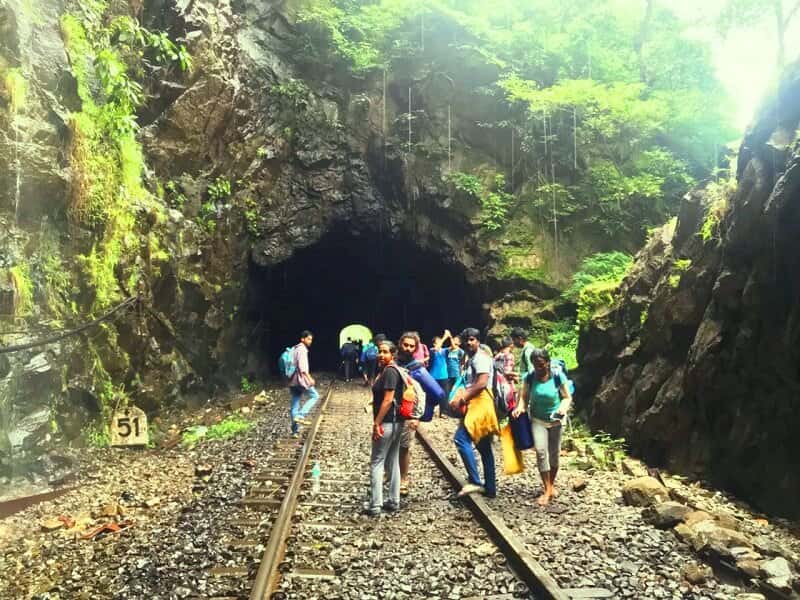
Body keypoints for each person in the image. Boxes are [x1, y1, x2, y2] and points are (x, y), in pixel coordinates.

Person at [513, 348, 573, 506]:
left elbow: (567, 397)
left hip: (556, 421)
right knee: (540, 452)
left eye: (540, 365)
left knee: (554, 454)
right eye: (535, 365)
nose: (538, 368)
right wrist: (520, 407)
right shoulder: (530, 377)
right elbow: (524, 397)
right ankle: (547, 489)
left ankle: (551, 484)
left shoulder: (557, 376)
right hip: (538, 420)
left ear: (547, 362)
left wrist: (562, 408)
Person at [449, 328, 498, 498]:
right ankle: (490, 488)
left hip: (481, 404)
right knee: (484, 447)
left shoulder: (481, 359)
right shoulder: (471, 359)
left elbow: (482, 383)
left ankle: (475, 482)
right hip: (477, 403)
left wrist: (462, 398)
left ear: (478, 341)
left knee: (461, 439)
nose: (469, 343)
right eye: (467, 340)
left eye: (472, 339)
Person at [367, 340, 406, 516]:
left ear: (393, 354)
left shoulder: (390, 372)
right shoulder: (389, 370)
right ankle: (393, 500)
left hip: (388, 422)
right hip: (397, 423)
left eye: (385, 352)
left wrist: (377, 423)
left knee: (377, 462)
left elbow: (388, 400)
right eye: (379, 351)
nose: (381, 355)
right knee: (392, 460)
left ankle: (375, 504)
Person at [395, 332, 422, 496]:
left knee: (404, 447)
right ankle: (390, 473)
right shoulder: (391, 361)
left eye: (412, 346)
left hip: (407, 412)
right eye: (406, 345)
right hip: (390, 410)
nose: (408, 348)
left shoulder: (417, 368)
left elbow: (421, 394)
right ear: (400, 344)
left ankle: (403, 479)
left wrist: (417, 416)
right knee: (389, 444)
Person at [288, 330, 319, 437]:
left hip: (292, 380)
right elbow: (302, 368)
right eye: (308, 339)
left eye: (311, 339)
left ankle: (295, 431)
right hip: (300, 380)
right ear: (303, 339)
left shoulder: (294, 349)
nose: (310, 341)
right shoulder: (302, 350)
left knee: (295, 404)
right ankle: (301, 415)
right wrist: (309, 379)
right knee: (315, 396)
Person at [429, 332, 451, 416]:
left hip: (444, 375)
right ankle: (431, 411)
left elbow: (453, 347)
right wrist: (445, 336)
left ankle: (443, 412)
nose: (440, 342)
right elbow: (436, 349)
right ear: (434, 343)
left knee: (444, 395)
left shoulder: (445, 351)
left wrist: (450, 337)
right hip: (433, 376)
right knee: (432, 394)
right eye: (438, 341)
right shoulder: (431, 350)